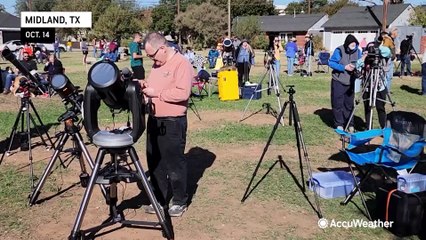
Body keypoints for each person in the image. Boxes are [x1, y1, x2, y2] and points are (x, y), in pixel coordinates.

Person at [141, 32, 192, 217]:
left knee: (174, 163)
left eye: (152, 55)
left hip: (172, 122)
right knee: (155, 161)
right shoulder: (157, 65)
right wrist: (145, 86)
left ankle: (179, 200)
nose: (151, 59)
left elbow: (183, 93)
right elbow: (155, 86)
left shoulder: (182, 64)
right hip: (154, 120)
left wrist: (157, 93)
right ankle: (159, 199)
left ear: (162, 48)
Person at [328, 34, 363, 132]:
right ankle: (339, 123)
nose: (353, 46)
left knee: (349, 104)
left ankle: (350, 123)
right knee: (337, 103)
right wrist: (344, 67)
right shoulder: (339, 50)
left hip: (350, 81)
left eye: (355, 44)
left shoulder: (358, 51)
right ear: (347, 44)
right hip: (338, 80)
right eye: (351, 44)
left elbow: (360, 62)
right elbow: (331, 62)